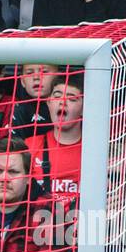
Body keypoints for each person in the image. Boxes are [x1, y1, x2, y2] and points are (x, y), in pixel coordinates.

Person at [25, 73, 84, 221]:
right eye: (57, 96)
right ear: (49, 102)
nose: (62, 102)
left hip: (81, 231)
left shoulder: (97, 150)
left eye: (72, 98)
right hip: (38, 232)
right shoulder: (30, 146)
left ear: (84, 108)